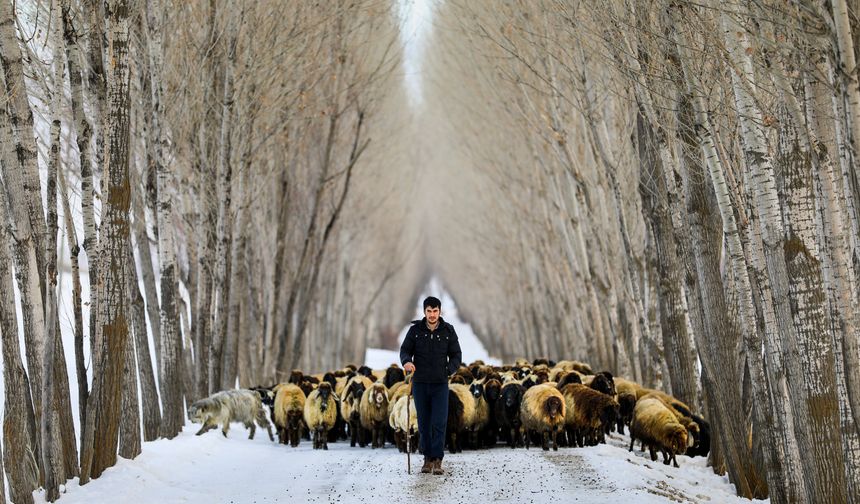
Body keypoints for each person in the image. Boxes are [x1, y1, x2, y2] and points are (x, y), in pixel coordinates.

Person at [399, 296, 462, 475]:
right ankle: (427, 459)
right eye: (429, 311)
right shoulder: (415, 331)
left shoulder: (448, 331)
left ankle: (437, 459)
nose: (432, 315)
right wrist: (406, 362)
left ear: (439, 311)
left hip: (440, 384)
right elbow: (405, 350)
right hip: (420, 384)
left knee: (439, 422)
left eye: (435, 311)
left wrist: (448, 370)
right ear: (424, 311)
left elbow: (457, 355)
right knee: (424, 422)